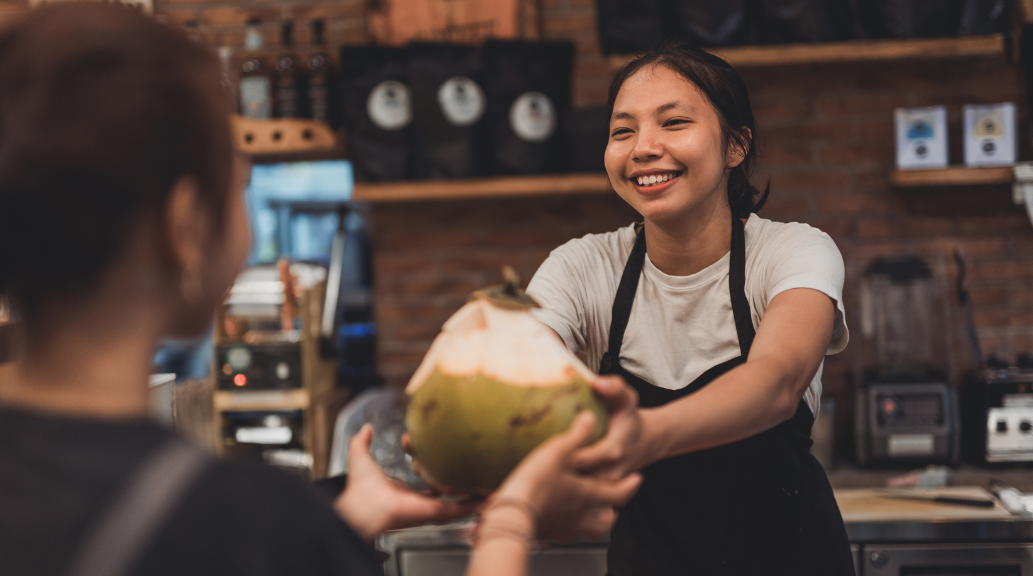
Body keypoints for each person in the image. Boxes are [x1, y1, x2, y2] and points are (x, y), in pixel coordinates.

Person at [0, 6, 640, 576]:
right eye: (240, 183)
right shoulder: (236, 520)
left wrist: (350, 511)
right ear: (185, 226)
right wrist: (514, 515)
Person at [525, 43, 855, 575]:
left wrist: (644, 437)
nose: (643, 148)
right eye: (622, 131)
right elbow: (521, 371)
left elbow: (774, 382)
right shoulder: (582, 268)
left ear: (735, 146)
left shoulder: (793, 252)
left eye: (674, 122)